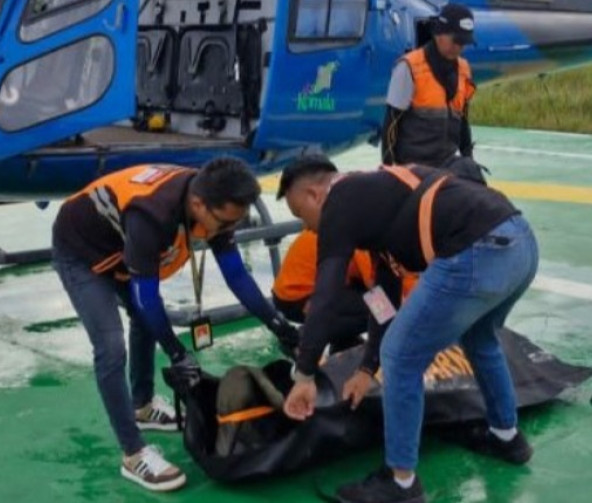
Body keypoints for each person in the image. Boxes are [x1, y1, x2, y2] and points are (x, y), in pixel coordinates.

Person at [278, 155, 538, 503]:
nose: (307, 228)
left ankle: (400, 482)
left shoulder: (339, 200)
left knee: (401, 357)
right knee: (480, 338)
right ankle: (507, 438)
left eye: (300, 216)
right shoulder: (378, 199)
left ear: (314, 194)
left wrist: (305, 373)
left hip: (478, 249)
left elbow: (325, 294)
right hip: (521, 244)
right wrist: (367, 368)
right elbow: (382, 300)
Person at [51, 157, 300, 493]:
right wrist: (177, 353)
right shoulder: (152, 215)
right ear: (199, 204)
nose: (228, 232)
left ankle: (143, 404)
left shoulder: (213, 205)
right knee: (110, 346)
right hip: (82, 251)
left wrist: (278, 325)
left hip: (121, 247)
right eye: (225, 223)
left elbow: (236, 275)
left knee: (145, 321)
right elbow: (146, 295)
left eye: (234, 224)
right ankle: (133, 453)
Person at [272, 230, 416, 352]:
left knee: (376, 303)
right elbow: (376, 287)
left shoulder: (355, 222)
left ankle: (342, 344)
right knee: (381, 312)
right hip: (298, 296)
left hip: (295, 289)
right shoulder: (366, 237)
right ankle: (304, 337)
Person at [381, 3, 477, 167]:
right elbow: (391, 123)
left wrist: (468, 159)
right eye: (456, 41)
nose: (459, 48)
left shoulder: (464, 70)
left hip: (447, 164)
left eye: (464, 43)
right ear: (439, 34)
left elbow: (463, 121)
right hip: (412, 166)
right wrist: (389, 168)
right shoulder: (409, 67)